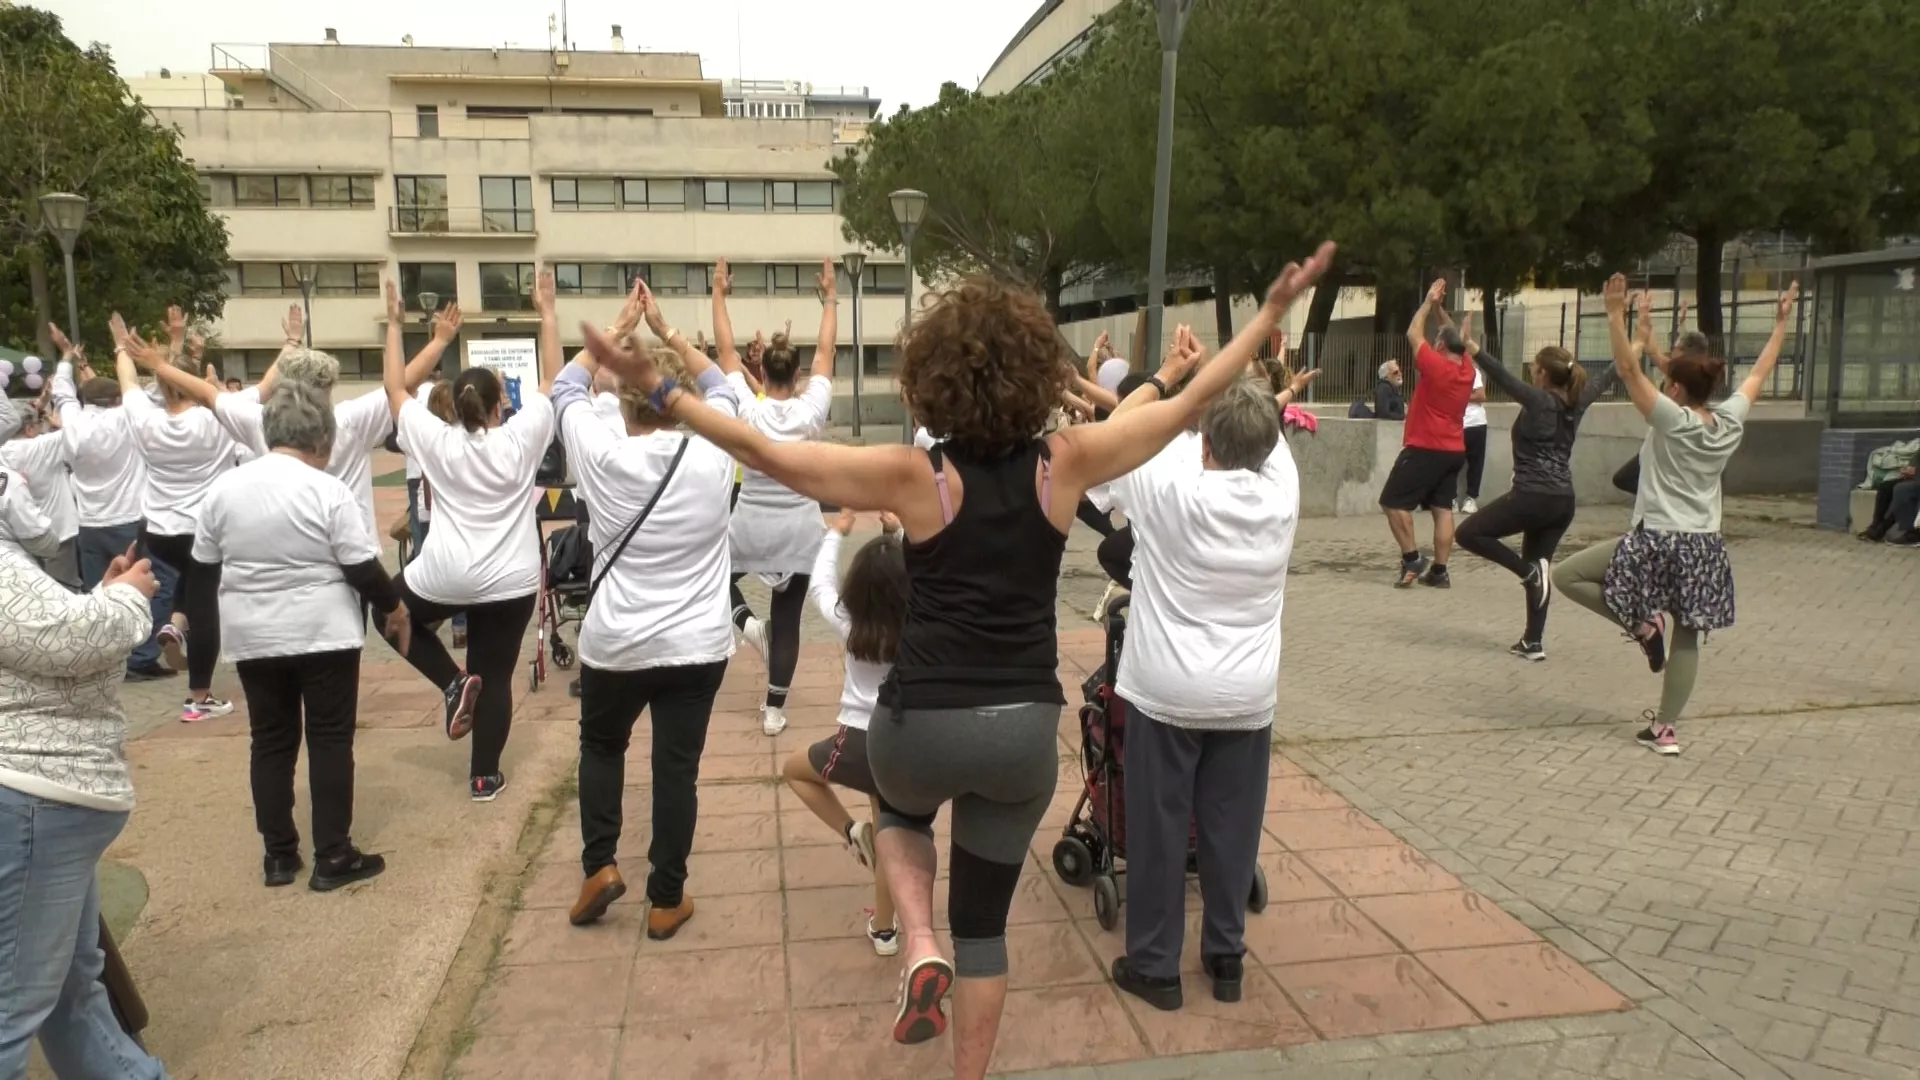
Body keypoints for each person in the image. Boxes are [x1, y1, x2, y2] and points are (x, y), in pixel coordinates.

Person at [576, 241, 1335, 1080]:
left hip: (920, 724)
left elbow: (769, 455)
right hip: (1020, 733)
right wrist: (1266, 315)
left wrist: (661, 390)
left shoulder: (913, 475)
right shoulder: (1068, 462)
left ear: (932, 378)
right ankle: (963, 1043)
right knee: (988, 932)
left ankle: (917, 936)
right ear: (1036, 377)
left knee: (897, 811)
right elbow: (1186, 397)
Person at [537, 271, 743, 938]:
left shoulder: (599, 450)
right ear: (673, 399)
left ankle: (599, 865)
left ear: (622, 404)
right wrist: (668, 336)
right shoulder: (713, 451)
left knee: (601, 747)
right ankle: (665, 898)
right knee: (675, 771)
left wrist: (616, 333)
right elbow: (723, 387)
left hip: (615, 641)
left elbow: (565, 387)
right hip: (695, 643)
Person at [1103, 349, 1304, 1013]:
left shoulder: (1167, 483)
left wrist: (1168, 376)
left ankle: (1156, 967)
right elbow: (1262, 421)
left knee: (1160, 830)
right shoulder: (1282, 487)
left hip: (1166, 690)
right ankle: (1225, 958)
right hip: (1248, 695)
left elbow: (1120, 426)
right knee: (1232, 829)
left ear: (1205, 440)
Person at [1553, 274, 1796, 756]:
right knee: (1688, 636)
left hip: (1659, 538)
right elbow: (1760, 372)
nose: (1661, 386)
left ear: (1679, 392)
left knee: (1568, 575)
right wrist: (1782, 324)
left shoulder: (1673, 420)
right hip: (1705, 544)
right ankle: (1665, 730)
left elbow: (1627, 369)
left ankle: (1644, 626)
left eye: (1667, 383)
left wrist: (1615, 315)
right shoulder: (1728, 421)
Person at [193, 383, 409, 889]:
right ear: (321, 438)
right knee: (329, 740)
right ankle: (333, 853)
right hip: (322, 629)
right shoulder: (326, 488)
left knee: (270, 741)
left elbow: (203, 567)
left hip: (252, 631)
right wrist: (393, 606)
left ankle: (278, 854)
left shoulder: (224, 489)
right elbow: (360, 565)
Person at [0, 521, 171, 1078]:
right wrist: (125, 600)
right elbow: (69, 639)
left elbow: (43, 638)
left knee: (71, 983)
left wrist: (103, 598)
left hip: (44, 791)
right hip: (33, 788)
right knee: (16, 1003)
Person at [384, 281, 553, 803]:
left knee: (386, 611)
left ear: (454, 408)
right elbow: (553, 379)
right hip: (511, 578)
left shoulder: (434, 438)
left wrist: (403, 328)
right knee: (496, 674)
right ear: (502, 403)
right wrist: (548, 312)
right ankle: (484, 778)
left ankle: (451, 682)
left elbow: (395, 390)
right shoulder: (520, 438)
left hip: (447, 572)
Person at [715, 258, 837, 737]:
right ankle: (773, 711)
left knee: (712, 576)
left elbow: (724, 349)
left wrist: (719, 293)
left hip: (748, 526)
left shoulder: (748, 408)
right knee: (788, 621)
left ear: (760, 371)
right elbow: (828, 350)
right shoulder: (811, 412)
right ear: (798, 371)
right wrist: (830, 295)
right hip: (800, 531)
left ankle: (746, 626)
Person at [1453, 314, 1621, 661]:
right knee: (1540, 563)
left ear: (1544, 373)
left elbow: (1502, 376)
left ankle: (1526, 572)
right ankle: (1533, 641)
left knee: (1469, 534)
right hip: (1562, 501)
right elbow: (1610, 374)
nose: (1531, 369)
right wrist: (1637, 339)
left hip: (1533, 494)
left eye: (1535, 366)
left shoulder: (1540, 400)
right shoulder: (1578, 400)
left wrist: (1472, 348)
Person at [782, 509, 908, 956]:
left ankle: (852, 831)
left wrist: (836, 534)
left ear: (857, 589)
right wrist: (900, 534)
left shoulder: (850, 622)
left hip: (858, 741)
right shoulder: (924, 627)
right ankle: (886, 931)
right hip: (908, 741)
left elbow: (819, 585)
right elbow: (932, 573)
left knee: (795, 770)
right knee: (891, 831)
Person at [112, 310, 241, 720]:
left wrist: (122, 347)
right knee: (208, 606)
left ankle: (174, 623)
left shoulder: (146, 420)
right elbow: (221, 397)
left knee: (188, 575)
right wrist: (187, 356)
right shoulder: (214, 421)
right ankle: (199, 697)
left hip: (160, 531)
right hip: (203, 529)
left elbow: (129, 382)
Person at [48, 333, 178, 682]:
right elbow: (153, 390)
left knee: (101, 593)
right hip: (127, 519)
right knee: (153, 584)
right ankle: (142, 656)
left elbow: (62, 391)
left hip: (88, 523)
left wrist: (66, 357)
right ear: (116, 400)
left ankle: (106, 661)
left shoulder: (73, 420)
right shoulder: (125, 420)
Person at [1379, 280, 1476, 588]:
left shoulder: (1435, 366)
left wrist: (1426, 302)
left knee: (1392, 502)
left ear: (1440, 347)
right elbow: (1454, 337)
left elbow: (1412, 333)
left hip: (1424, 447)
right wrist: (1438, 308)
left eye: (1437, 340)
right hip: (1453, 451)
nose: (1433, 342)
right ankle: (1440, 571)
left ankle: (1412, 558)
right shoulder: (1467, 370)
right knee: (1443, 508)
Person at [1, 397, 80, 589]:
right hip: (57, 533)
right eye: (38, 424)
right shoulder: (41, 446)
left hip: (17, 537)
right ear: (28, 429)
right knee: (64, 589)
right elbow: (77, 430)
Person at [1860, 445, 1920, 543]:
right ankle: (1875, 524)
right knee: (1886, 487)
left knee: (1902, 492)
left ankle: (1880, 531)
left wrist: (1916, 472)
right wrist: (1908, 469)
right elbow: (1915, 460)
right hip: (1914, 479)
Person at [1458, 365, 1487, 514]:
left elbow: (1481, 395)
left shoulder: (1471, 371)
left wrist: (1458, 396)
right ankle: (1449, 497)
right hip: (1453, 423)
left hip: (1474, 422)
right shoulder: (1442, 371)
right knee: (1450, 461)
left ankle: (1471, 498)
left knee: (1475, 462)